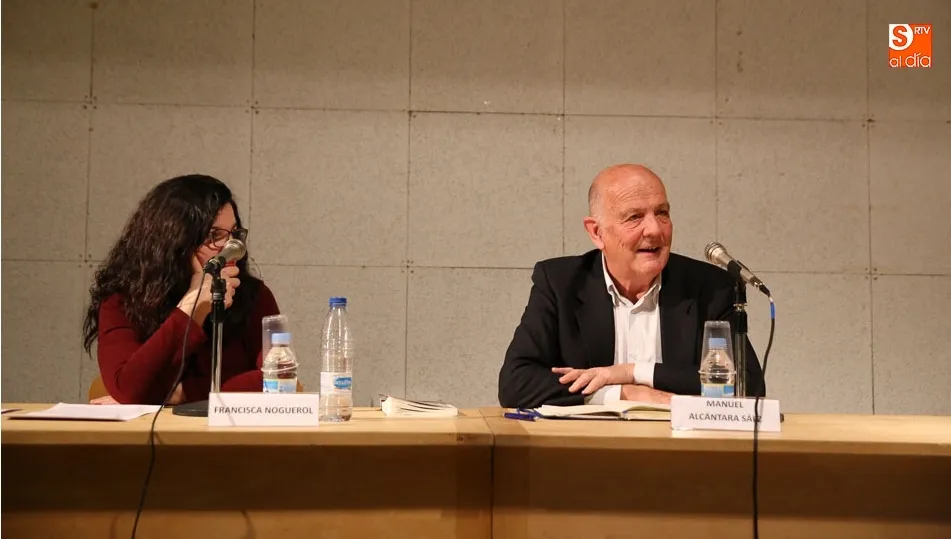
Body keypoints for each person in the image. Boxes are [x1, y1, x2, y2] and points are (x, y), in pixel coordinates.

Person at [498, 164, 764, 409]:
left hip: (681, 453)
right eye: (634, 217)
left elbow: (747, 386)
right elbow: (516, 383)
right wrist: (625, 393)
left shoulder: (710, 287)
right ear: (596, 233)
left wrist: (635, 372)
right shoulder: (561, 283)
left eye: (662, 213)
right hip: (587, 452)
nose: (654, 230)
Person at [82, 174, 280, 405]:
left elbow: (278, 379)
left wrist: (179, 394)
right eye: (214, 236)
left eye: (235, 234)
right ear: (174, 243)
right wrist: (191, 310)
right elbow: (129, 389)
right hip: (151, 439)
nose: (231, 248)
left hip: (232, 437)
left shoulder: (254, 295)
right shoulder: (122, 300)